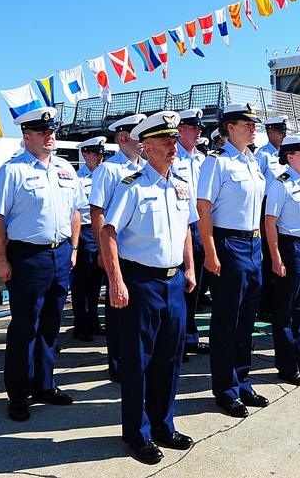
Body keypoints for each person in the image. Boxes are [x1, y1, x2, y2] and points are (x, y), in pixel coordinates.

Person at [101, 111, 198, 464]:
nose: (174, 147)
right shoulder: (133, 186)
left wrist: (189, 267)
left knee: (169, 360)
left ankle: (163, 425)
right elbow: (108, 232)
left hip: (173, 283)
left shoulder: (181, 185)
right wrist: (116, 281)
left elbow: (187, 227)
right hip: (141, 281)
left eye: (174, 141)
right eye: (165, 143)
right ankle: (137, 434)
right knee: (138, 362)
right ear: (147, 148)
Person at [0, 109, 88, 421]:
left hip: (60, 255)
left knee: (51, 325)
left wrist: (72, 248)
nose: (50, 136)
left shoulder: (65, 170)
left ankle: (45, 384)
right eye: (42, 131)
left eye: (52, 130)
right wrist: (1, 259)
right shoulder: (12, 170)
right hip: (28, 256)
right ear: (26, 136)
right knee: (24, 327)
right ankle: (18, 393)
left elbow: (75, 211)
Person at [198, 102, 269, 418]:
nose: (253, 127)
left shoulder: (251, 161)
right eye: (246, 123)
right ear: (229, 128)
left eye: (254, 123)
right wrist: (211, 252)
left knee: (246, 321)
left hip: (253, 244)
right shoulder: (217, 163)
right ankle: (225, 390)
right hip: (228, 243)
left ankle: (242, 381)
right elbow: (203, 210)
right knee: (227, 321)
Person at [91, 114, 147, 383]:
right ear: (123, 138)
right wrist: (103, 253)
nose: (142, 141)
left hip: (140, 251)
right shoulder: (109, 170)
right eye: (138, 135)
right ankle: (117, 362)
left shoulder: (147, 167)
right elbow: (98, 214)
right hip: (118, 250)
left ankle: (136, 358)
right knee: (117, 309)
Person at [264, 135, 300, 384]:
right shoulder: (282, 184)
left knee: (299, 310)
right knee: (285, 313)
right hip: (291, 249)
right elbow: (270, 222)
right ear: (290, 157)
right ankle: (287, 367)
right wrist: (276, 258)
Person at [172, 109, 210, 357]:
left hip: (203, 224)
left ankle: (190, 334)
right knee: (181, 284)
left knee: (198, 285)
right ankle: (178, 339)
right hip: (182, 226)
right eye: (193, 127)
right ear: (180, 130)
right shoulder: (174, 158)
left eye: (199, 128)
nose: (198, 131)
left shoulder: (203, 159)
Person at [71, 136, 107, 341]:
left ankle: (93, 319)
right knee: (81, 282)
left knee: (96, 281)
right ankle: (80, 324)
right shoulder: (77, 179)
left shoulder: (105, 176)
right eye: (95, 153)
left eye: (102, 153)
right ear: (85, 155)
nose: (100, 157)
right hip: (84, 232)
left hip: (101, 230)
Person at [255, 115, 289, 324]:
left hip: (283, 208)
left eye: (284, 131)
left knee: (281, 257)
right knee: (269, 259)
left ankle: (277, 302)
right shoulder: (263, 156)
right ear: (270, 132)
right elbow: (259, 188)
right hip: (267, 207)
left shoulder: (286, 155)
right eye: (280, 131)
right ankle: (265, 306)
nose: (284, 134)